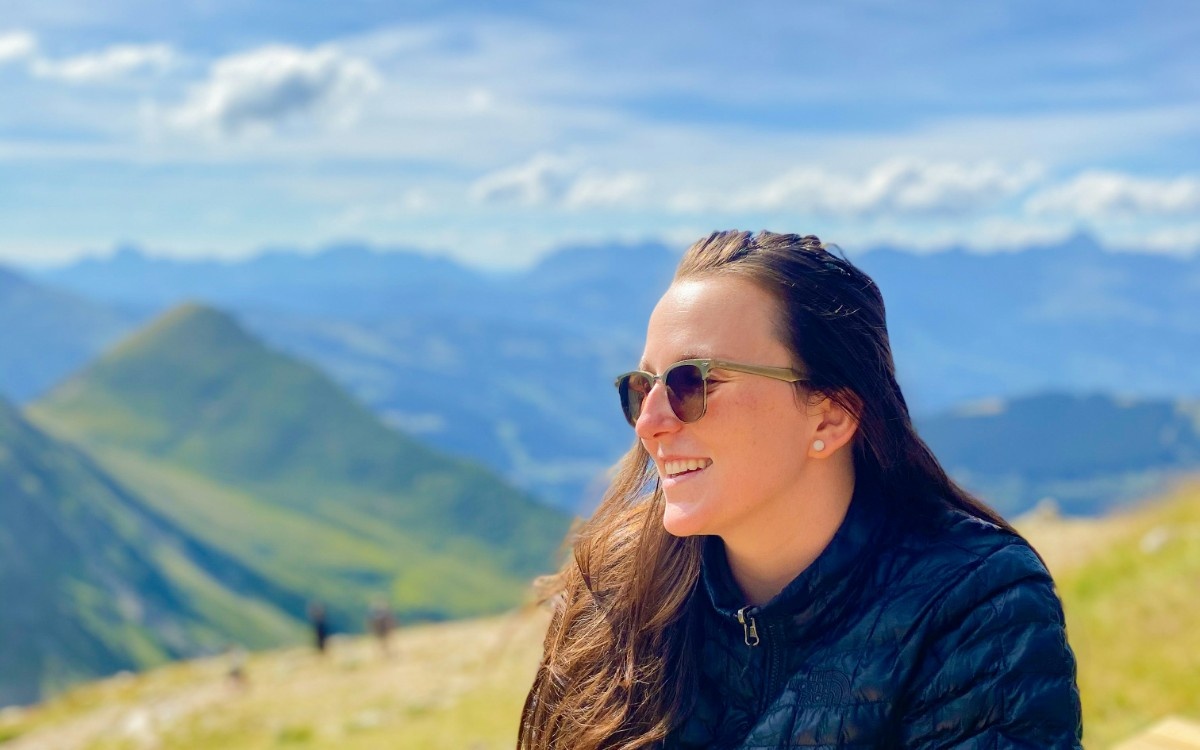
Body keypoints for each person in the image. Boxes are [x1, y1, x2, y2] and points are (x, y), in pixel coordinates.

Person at [519, 231, 1082, 749]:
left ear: (830, 417)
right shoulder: (618, 587)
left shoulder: (976, 605)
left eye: (695, 382)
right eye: (643, 388)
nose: (650, 423)